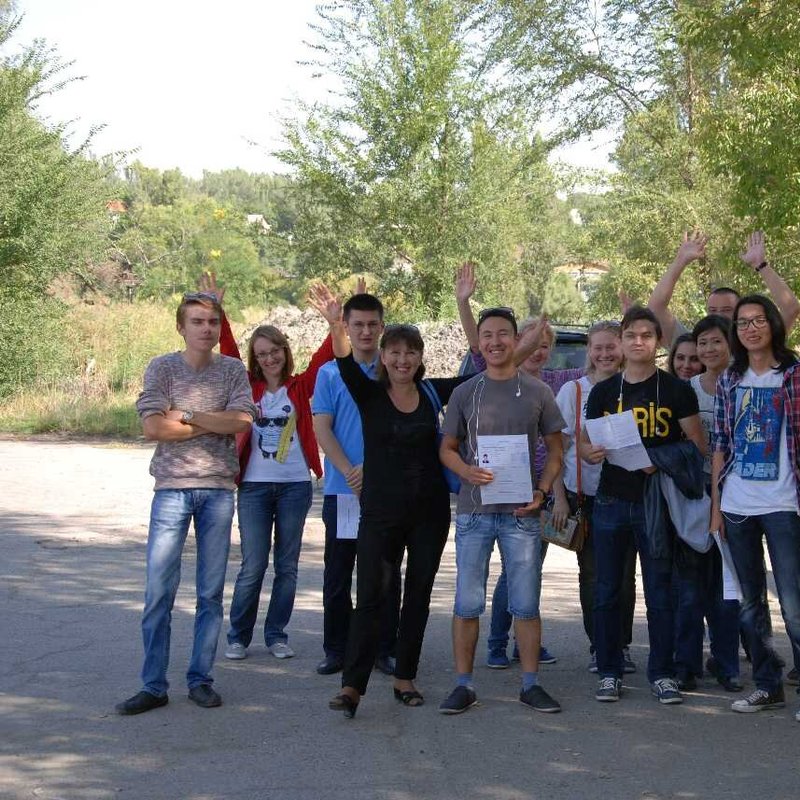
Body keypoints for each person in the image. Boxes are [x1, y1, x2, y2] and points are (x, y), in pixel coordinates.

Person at [317, 288, 467, 718]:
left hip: (428, 515)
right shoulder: (368, 394)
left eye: (410, 352)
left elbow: (486, 369)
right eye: (395, 352)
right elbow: (345, 363)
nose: (403, 360)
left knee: (417, 597)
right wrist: (335, 325)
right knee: (371, 597)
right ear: (383, 356)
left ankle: (405, 677)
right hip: (380, 514)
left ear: (420, 357)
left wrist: (522, 342)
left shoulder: (434, 392)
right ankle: (352, 686)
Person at [116, 291, 256, 715]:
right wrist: (214, 422)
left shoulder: (232, 370)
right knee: (159, 591)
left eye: (212, 322)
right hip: (172, 489)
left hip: (217, 491)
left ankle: (200, 680)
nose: (206, 329)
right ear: (181, 327)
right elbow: (154, 428)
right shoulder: (162, 367)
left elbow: (242, 421)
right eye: (197, 321)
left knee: (210, 594)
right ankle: (153, 685)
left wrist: (189, 416)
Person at [438, 308, 565, 715]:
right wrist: (465, 471)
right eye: (487, 335)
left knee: (525, 604)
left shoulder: (538, 392)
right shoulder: (465, 392)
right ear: (480, 342)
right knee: (466, 603)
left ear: (516, 339)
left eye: (503, 334)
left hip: (521, 513)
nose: (495, 342)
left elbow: (557, 450)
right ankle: (463, 685)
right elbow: (447, 449)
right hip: (474, 513)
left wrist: (542, 490)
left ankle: (530, 684)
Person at [208, 275, 339, 661]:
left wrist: (335, 322)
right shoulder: (246, 386)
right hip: (254, 487)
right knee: (253, 565)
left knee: (287, 566)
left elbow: (327, 356)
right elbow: (228, 350)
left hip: (295, 486)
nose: (269, 358)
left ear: (284, 351)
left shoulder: (300, 387)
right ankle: (238, 636)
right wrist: (218, 312)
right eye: (262, 353)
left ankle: (277, 634)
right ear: (256, 358)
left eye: (275, 350)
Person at [581, 306, 706, 705]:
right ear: (620, 340)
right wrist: (589, 453)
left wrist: (659, 459)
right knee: (607, 590)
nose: (638, 342)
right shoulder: (604, 391)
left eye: (646, 335)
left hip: (657, 502)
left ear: (658, 341)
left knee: (660, 592)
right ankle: (609, 671)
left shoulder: (676, 390)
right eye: (631, 335)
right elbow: (583, 443)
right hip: (610, 500)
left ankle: (662, 673)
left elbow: (698, 445)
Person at [454, 262, 572, 667]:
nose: (539, 351)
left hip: (534, 494)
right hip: (486, 497)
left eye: (545, 345)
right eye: (533, 344)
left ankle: (526, 654)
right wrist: (464, 302)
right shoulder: (485, 380)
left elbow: (559, 446)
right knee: (491, 584)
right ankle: (492, 648)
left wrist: (550, 492)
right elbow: (483, 347)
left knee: (526, 578)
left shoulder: (552, 384)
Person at [710, 295, 800, 717]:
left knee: (793, 604)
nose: (750, 328)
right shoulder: (730, 379)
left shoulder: (793, 375)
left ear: (773, 325)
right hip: (737, 505)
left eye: (758, 320)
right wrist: (716, 508)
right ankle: (768, 685)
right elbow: (720, 444)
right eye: (743, 323)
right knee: (750, 604)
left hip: (784, 504)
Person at [312, 289, 401, 677]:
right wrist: (350, 470)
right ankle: (336, 648)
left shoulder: (393, 372)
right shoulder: (330, 373)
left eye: (372, 324)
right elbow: (322, 428)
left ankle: (385, 648)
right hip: (343, 491)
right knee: (339, 572)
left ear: (382, 327)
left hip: (385, 491)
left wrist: (375, 468)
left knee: (385, 574)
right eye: (358, 325)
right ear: (346, 327)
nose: (365, 331)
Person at [552, 320, 637, 673]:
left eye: (611, 346)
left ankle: (622, 645)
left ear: (623, 348)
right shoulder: (572, 391)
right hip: (583, 496)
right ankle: (599, 646)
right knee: (592, 575)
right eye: (598, 347)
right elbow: (556, 449)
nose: (604, 354)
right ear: (589, 350)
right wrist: (559, 498)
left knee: (625, 577)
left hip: (628, 494)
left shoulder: (635, 386)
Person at [671, 315, 742, 693]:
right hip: (691, 496)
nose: (708, 349)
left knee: (726, 589)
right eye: (703, 343)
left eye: (717, 342)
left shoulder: (742, 385)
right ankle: (686, 665)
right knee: (689, 588)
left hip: (735, 497)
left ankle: (727, 665)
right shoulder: (684, 392)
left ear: (731, 345)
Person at [648, 230, 800, 345]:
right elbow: (655, 308)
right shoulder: (692, 345)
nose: (718, 316)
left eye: (727, 310)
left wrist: (761, 265)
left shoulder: (756, 344)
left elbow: (791, 309)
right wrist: (680, 261)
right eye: (712, 310)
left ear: (739, 315)